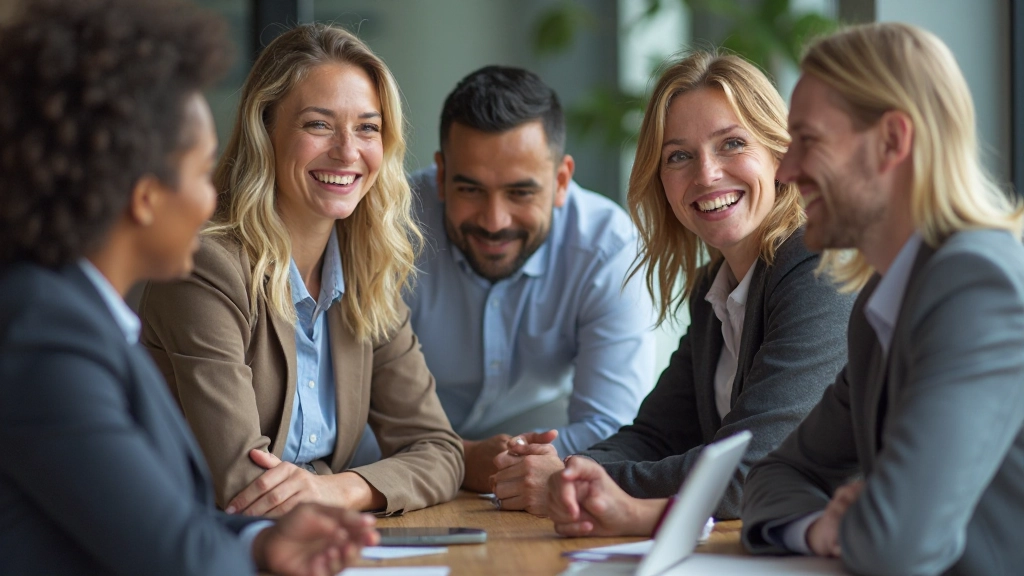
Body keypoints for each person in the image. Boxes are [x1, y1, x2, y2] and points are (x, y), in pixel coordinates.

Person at [0, 1, 378, 575]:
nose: (213, 200)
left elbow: (161, 519)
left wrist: (261, 543)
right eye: (203, 173)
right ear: (146, 197)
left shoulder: (78, 318)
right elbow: (176, 558)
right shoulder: (46, 339)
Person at [138, 23, 463, 518]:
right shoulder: (206, 267)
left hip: (315, 545)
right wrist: (344, 489)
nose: (348, 151)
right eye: (318, 124)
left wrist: (344, 490)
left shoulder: (365, 275)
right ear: (264, 131)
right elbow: (241, 484)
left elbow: (440, 451)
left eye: (368, 127)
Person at [740, 23, 1024, 576]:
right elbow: (772, 478)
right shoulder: (882, 304)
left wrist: (869, 520)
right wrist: (826, 527)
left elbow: (898, 543)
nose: (784, 170)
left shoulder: (977, 287)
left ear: (893, 140)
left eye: (809, 140)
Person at [540, 50, 856, 528]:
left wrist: (574, 481)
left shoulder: (819, 268)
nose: (706, 174)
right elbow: (657, 434)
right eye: (680, 156)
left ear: (779, 153)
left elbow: (754, 470)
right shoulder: (717, 287)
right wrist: (565, 468)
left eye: (731, 144)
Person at [406, 65, 657, 494]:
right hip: (404, 480)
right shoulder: (389, 231)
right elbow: (350, 418)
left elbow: (612, 429)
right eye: (470, 189)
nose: (494, 220)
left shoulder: (608, 250)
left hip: (538, 481)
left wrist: (510, 463)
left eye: (520, 193)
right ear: (442, 176)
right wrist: (459, 460)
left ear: (560, 182)